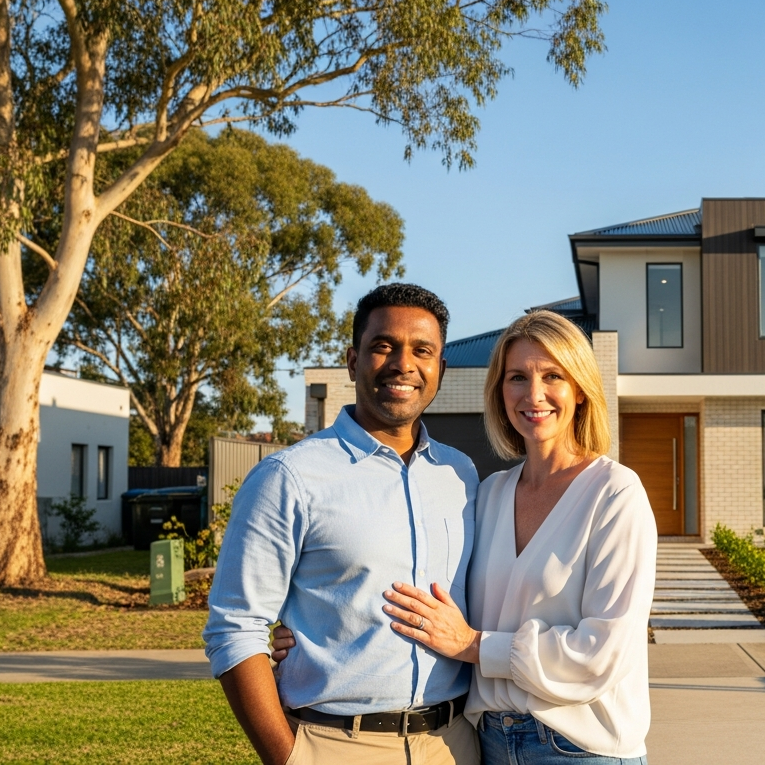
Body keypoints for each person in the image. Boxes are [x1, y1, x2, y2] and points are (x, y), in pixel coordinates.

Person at [275, 309, 657, 764]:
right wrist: (310, 631)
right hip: (488, 743)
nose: (533, 394)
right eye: (517, 377)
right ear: (500, 392)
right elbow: (422, 582)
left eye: (553, 375)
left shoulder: (614, 493)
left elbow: (602, 653)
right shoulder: (487, 492)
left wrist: (474, 646)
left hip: (581, 748)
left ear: (580, 389)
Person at [205, 283, 480, 765]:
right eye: (383, 346)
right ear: (353, 361)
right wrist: (289, 758)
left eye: (422, 351)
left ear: (440, 368)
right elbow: (235, 627)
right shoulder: (289, 477)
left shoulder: (461, 475)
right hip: (336, 745)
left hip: (454, 744)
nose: (403, 364)